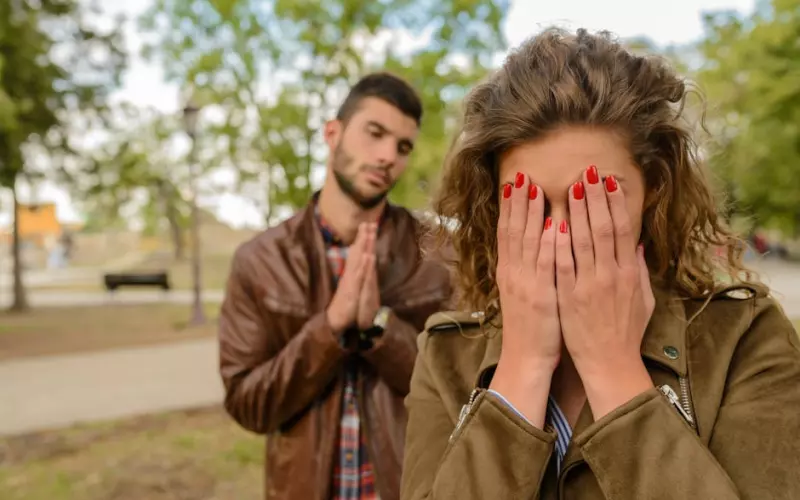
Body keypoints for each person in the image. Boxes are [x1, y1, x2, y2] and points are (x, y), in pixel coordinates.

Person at [401, 28, 800, 500]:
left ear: (654, 191)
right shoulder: (446, 357)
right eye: (533, 206)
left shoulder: (744, 340)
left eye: (594, 200)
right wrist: (522, 368)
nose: (563, 236)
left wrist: (614, 373)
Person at [219, 72, 452, 500]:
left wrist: (379, 325)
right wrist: (330, 328)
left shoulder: (437, 255)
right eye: (375, 133)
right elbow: (248, 405)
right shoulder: (260, 261)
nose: (387, 157)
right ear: (333, 133)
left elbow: (462, 393)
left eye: (402, 147)